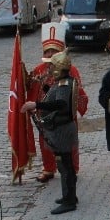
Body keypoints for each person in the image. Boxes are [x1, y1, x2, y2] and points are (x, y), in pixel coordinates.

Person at [27, 25, 88, 183]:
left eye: (53, 51)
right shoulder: (38, 69)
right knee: (45, 143)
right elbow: (33, 88)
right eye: (47, 51)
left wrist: (76, 109)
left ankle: (71, 169)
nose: (50, 54)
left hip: (63, 116)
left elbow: (76, 92)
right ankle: (48, 168)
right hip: (45, 116)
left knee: (68, 145)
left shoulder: (71, 70)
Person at [22, 51, 80, 214]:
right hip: (62, 128)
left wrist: (36, 105)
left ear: (59, 67)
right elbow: (56, 96)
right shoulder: (62, 82)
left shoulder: (64, 84)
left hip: (62, 130)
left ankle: (69, 201)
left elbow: (61, 104)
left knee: (65, 166)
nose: (50, 67)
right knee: (64, 166)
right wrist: (45, 87)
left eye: (52, 65)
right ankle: (69, 195)